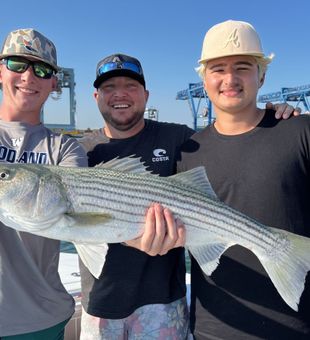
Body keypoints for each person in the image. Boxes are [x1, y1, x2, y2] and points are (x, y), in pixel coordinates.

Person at [78, 53, 299, 340]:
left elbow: (232, 138)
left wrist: (277, 118)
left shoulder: (181, 139)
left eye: (131, 86)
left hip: (164, 302)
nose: (120, 94)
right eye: (109, 88)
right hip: (99, 305)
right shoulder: (78, 153)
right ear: (95, 96)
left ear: (146, 95)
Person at [176, 20, 310, 339]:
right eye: (218, 69)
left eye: (242, 67)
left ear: (262, 75)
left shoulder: (301, 132)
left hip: (296, 328)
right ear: (204, 80)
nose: (230, 79)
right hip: (213, 328)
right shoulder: (187, 153)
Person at [0, 28, 87, 339]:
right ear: (0, 71)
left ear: (54, 82)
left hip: (40, 319)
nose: (28, 76)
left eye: (41, 69)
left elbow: (78, 217)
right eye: (16, 64)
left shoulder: (65, 149)